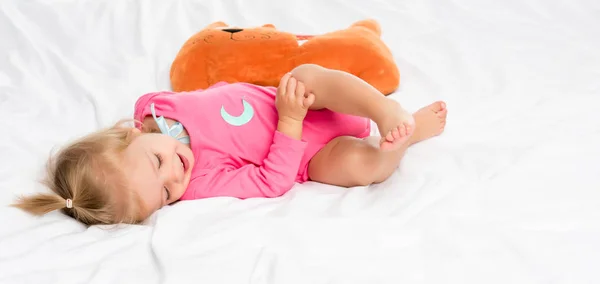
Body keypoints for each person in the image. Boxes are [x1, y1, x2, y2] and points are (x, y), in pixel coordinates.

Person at [13, 64, 447, 225]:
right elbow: (271, 182)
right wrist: (291, 123)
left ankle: (383, 111)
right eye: (165, 194)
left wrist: (289, 105)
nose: (175, 173)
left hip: (308, 100)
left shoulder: (157, 106)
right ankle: (401, 143)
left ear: (132, 131)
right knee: (357, 168)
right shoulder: (201, 183)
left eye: (157, 162)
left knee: (304, 75)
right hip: (309, 153)